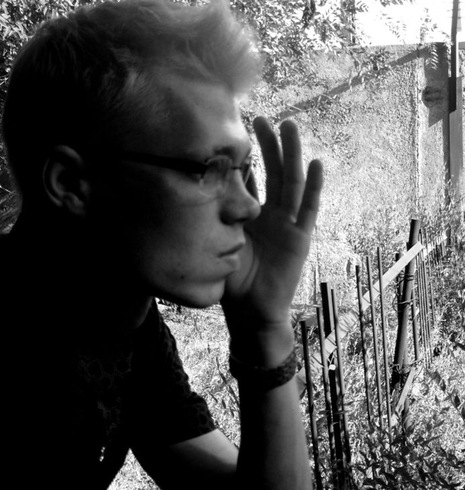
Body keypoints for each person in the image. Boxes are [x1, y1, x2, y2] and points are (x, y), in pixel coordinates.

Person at [0, 0, 323, 488]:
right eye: (207, 168)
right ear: (71, 183)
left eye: (242, 168)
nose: (248, 208)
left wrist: (265, 329)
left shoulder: (123, 320)